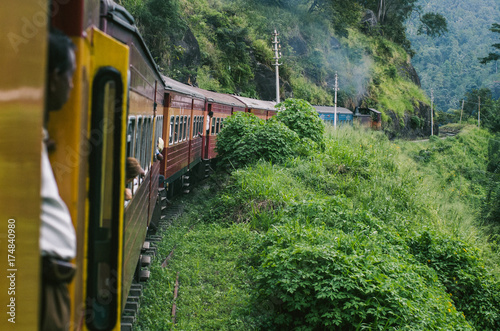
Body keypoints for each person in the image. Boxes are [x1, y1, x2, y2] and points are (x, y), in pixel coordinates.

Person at [40, 28, 77, 331]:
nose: (72, 84)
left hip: (47, 279)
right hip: (38, 282)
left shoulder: (33, 135)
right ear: (54, 76)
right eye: (70, 75)